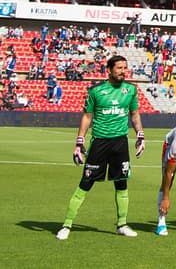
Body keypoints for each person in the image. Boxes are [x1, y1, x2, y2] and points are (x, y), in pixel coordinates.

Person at [56, 54, 145, 240]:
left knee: (121, 183)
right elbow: (87, 116)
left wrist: (140, 134)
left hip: (120, 143)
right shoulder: (96, 91)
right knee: (86, 183)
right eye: (119, 68)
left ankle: (122, 224)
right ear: (109, 70)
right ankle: (67, 225)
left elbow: (134, 114)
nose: (123, 71)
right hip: (100, 142)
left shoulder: (131, 90)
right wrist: (79, 141)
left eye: (125, 68)